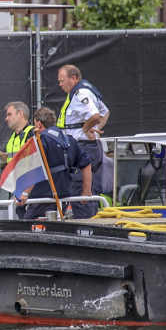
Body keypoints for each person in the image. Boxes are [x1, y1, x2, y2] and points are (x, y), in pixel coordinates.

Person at [18, 107, 92, 220]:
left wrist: (25, 193)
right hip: (64, 197)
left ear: (39, 124)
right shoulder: (70, 141)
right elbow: (86, 164)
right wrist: (86, 192)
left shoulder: (40, 141)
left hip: (42, 198)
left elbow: (35, 168)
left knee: (31, 229)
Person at [56, 64, 109, 218]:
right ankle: (92, 225)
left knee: (80, 192)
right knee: (89, 192)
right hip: (88, 147)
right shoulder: (87, 91)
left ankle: (85, 231)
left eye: (62, 81)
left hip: (83, 147)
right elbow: (105, 112)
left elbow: (95, 115)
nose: (60, 85)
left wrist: (87, 129)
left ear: (73, 79)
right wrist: (95, 129)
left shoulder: (80, 94)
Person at [0, 101, 35, 219]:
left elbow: (36, 164)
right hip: (19, 190)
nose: (6, 118)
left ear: (20, 114)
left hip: (31, 191)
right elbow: (14, 159)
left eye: (9, 114)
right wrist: (1, 155)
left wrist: (26, 192)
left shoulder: (32, 133)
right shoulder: (13, 137)